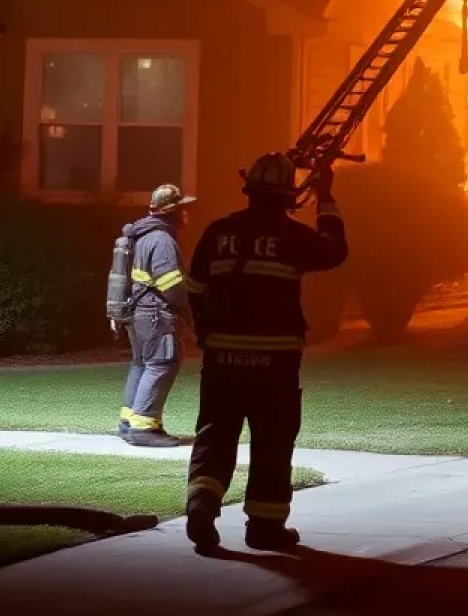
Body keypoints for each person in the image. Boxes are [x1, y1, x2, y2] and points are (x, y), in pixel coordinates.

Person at [183, 152, 348, 553]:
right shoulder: (292, 237)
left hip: (222, 358)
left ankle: (202, 503)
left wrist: (207, 332)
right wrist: (325, 196)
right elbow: (334, 250)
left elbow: (195, 288)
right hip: (275, 361)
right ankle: (264, 527)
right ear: (288, 195)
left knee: (216, 433)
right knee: (273, 441)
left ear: (250, 189)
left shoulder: (218, 231)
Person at [114, 183, 196, 448]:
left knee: (142, 364)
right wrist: (191, 314)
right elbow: (172, 286)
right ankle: (144, 426)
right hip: (155, 314)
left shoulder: (142, 236)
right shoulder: (162, 241)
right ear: (171, 212)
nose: (186, 215)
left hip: (139, 313)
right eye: (183, 209)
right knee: (162, 362)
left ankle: (131, 421)